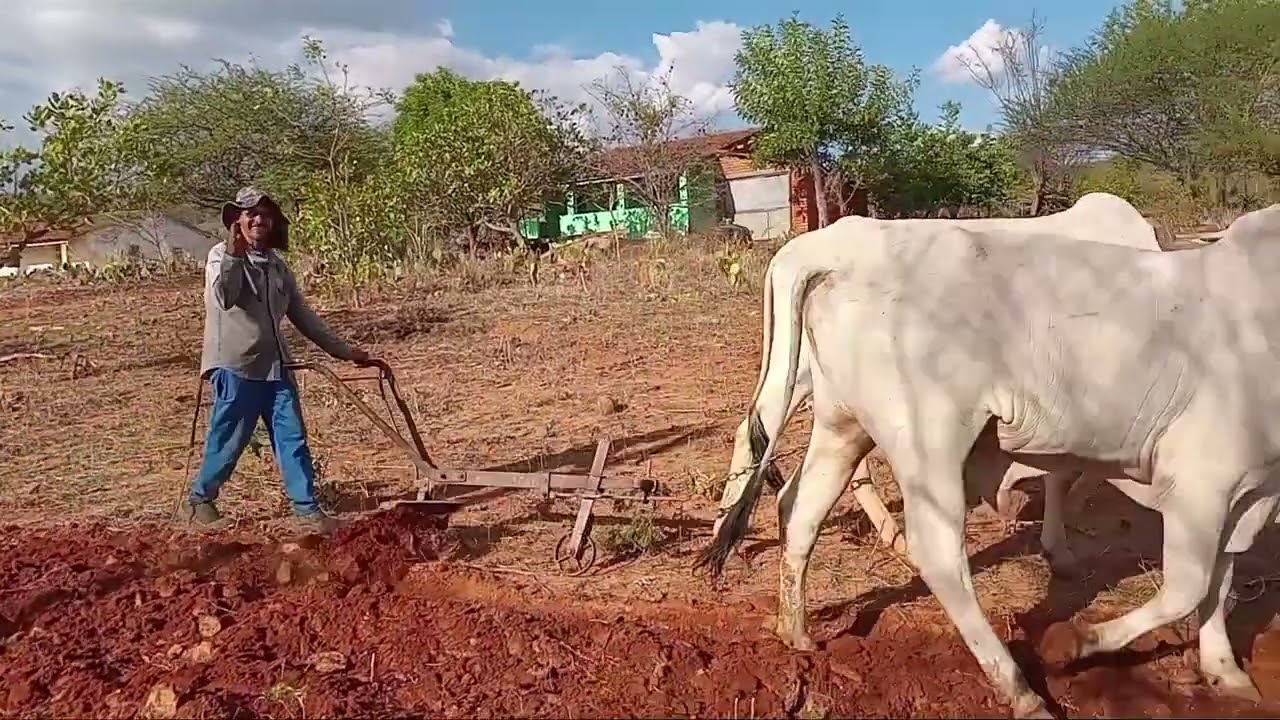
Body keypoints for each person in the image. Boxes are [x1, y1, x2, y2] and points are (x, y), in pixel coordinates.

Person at [185, 187, 380, 534]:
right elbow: (224, 297)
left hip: (276, 368)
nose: (259, 219)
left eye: (265, 214)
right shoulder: (220, 257)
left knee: (292, 437)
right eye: (251, 214)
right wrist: (234, 253)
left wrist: (347, 352)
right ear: (237, 222)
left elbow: (304, 317)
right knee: (230, 438)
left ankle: (307, 511)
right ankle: (202, 499)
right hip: (236, 367)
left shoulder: (277, 266)